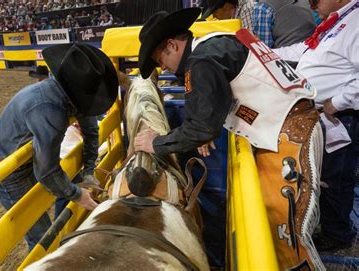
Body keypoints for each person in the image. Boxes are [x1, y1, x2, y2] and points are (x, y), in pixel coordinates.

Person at [134, 7, 325, 270]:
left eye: (159, 59)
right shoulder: (211, 47)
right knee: (283, 229)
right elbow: (215, 104)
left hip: (287, 131)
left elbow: (203, 126)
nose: (162, 66)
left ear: (171, 45)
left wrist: (156, 143)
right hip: (288, 124)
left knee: (286, 233)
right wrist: (207, 124)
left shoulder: (200, 62)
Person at [0, 44, 118, 250]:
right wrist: (78, 195)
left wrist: (89, 170)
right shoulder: (49, 109)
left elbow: (90, 130)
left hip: (24, 159)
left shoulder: (68, 95)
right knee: (43, 236)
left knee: (48, 216)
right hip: (8, 172)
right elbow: (47, 171)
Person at [274, 0, 358, 252]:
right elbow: (305, 51)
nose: (311, 4)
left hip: (341, 116)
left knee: (335, 177)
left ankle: (338, 235)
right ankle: (333, 227)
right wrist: (264, 52)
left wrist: (339, 101)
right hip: (325, 113)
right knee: (328, 174)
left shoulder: (354, 22)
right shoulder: (339, 21)